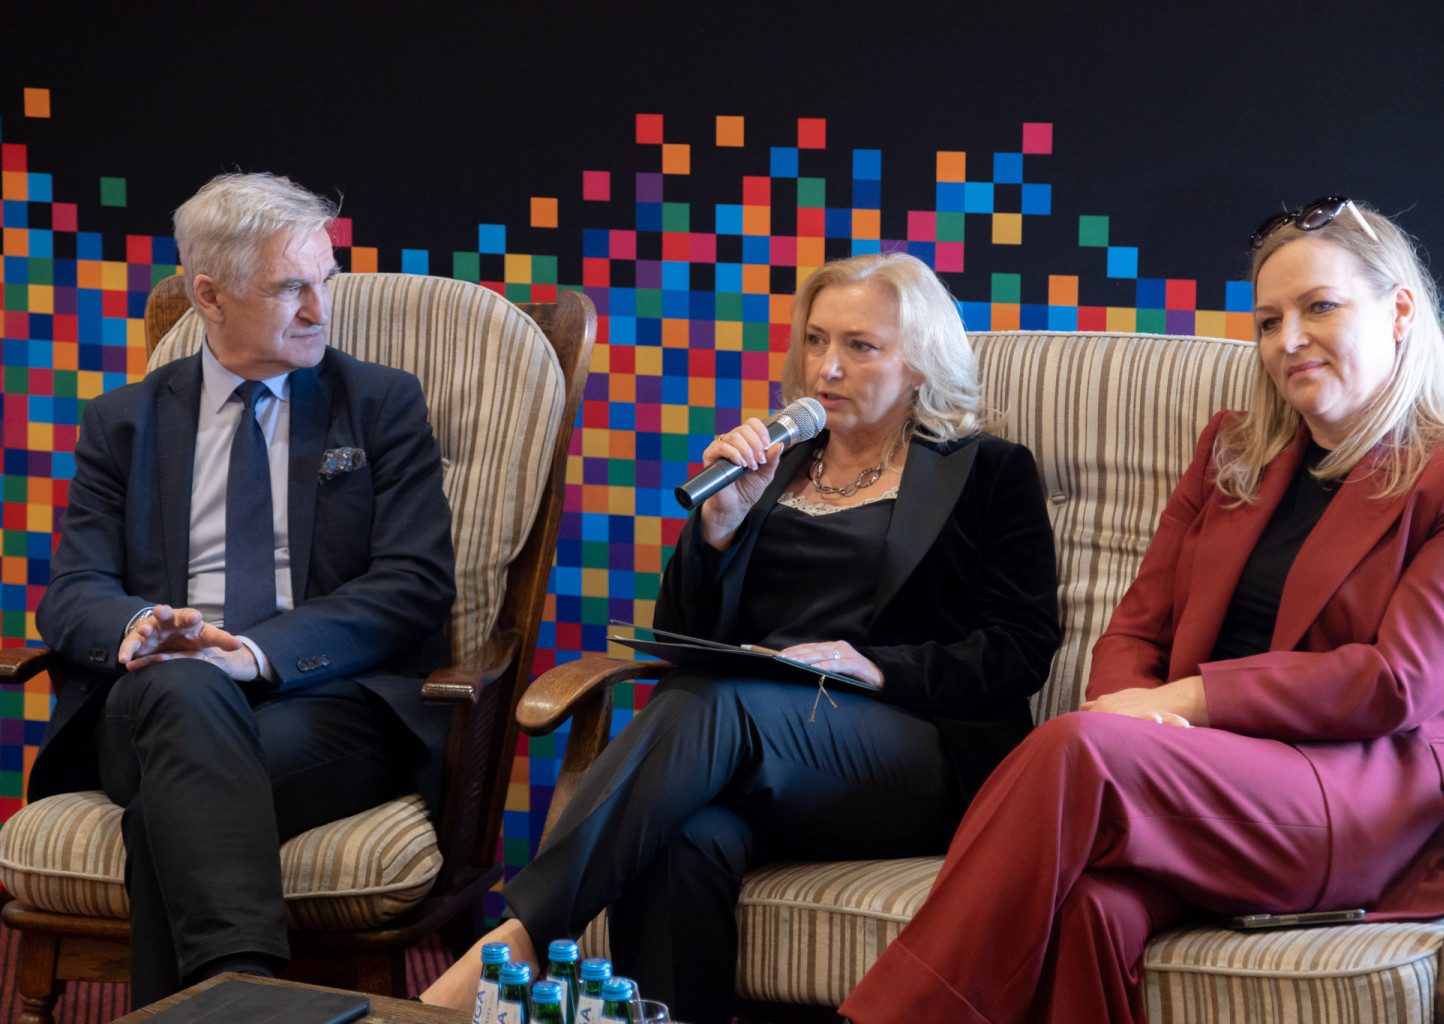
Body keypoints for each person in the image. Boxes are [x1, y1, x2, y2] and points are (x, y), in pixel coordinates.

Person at [837, 197, 1444, 1023]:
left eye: (1319, 307)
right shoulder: (1232, 454)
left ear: (1401, 312)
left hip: (1360, 796)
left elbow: (1398, 681)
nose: (1288, 340)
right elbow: (1136, 627)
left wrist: (1181, 704)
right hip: (1200, 777)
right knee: (1090, 906)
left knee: (1077, 748)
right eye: (1269, 321)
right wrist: (1141, 715)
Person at [422, 252, 1062, 1022]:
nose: (827, 367)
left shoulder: (987, 471)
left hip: (913, 752)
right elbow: (682, 639)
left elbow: (1022, 645)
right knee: (680, 837)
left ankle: (519, 940)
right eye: (816, 340)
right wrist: (718, 530)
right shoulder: (773, 465)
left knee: (714, 704)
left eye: (860, 346)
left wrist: (878, 666)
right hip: (755, 747)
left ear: (921, 363)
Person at [28, 172, 456, 1007]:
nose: (320, 310)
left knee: (169, 815)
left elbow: (414, 583)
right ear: (210, 297)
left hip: (328, 704)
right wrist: (143, 627)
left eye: (325, 280)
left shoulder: (379, 404)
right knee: (183, 686)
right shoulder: (123, 423)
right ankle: (250, 999)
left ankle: (233, 1000)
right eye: (291, 287)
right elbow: (73, 590)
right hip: (153, 704)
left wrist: (255, 653)